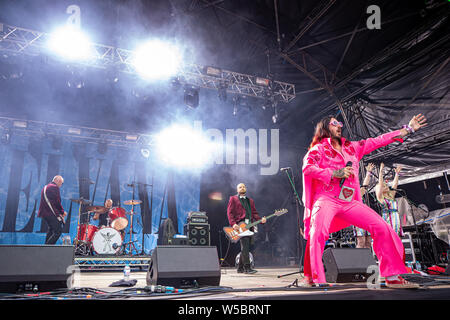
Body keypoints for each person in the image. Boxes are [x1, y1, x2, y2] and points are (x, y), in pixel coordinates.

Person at [301, 114, 427, 288]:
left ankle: (392, 276)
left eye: (340, 123)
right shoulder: (318, 150)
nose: (340, 126)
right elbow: (308, 168)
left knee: (382, 227)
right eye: (335, 123)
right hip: (327, 199)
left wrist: (408, 129)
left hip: (349, 202)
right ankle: (316, 279)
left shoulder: (353, 148)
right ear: (325, 128)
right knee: (318, 233)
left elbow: (378, 140)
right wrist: (333, 173)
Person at [227, 183, 266, 274]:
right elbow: (230, 213)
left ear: (246, 189)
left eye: (244, 186)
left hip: (249, 226)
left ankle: (240, 268)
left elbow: (254, 213)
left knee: (246, 247)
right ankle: (247, 268)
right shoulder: (233, 199)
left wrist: (261, 220)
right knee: (245, 247)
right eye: (240, 187)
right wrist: (233, 224)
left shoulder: (250, 201)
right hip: (240, 225)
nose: (242, 188)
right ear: (237, 190)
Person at [38, 175, 67, 244]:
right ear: (58, 181)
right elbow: (57, 202)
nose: (61, 185)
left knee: (51, 230)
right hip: (50, 213)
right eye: (61, 183)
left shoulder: (46, 187)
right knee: (58, 231)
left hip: (44, 213)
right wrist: (62, 212)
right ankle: (47, 249)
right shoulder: (54, 187)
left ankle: (46, 248)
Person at [376, 163, 403, 236]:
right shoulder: (381, 197)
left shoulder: (391, 196)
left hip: (396, 218)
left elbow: (395, 185)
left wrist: (397, 174)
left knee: (398, 237)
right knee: (390, 236)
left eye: (386, 185)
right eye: (384, 186)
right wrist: (381, 171)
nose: (386, 186)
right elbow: (380, 184)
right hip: (388, 218)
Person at [355, 163, 375, 249]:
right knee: (361, 241)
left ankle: (368, 261)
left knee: (368, 241)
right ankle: (359, 261)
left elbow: (365, 186)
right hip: (357, 218)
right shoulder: (351, 194)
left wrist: (369, 172)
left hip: (365, 218)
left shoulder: (359, 193)